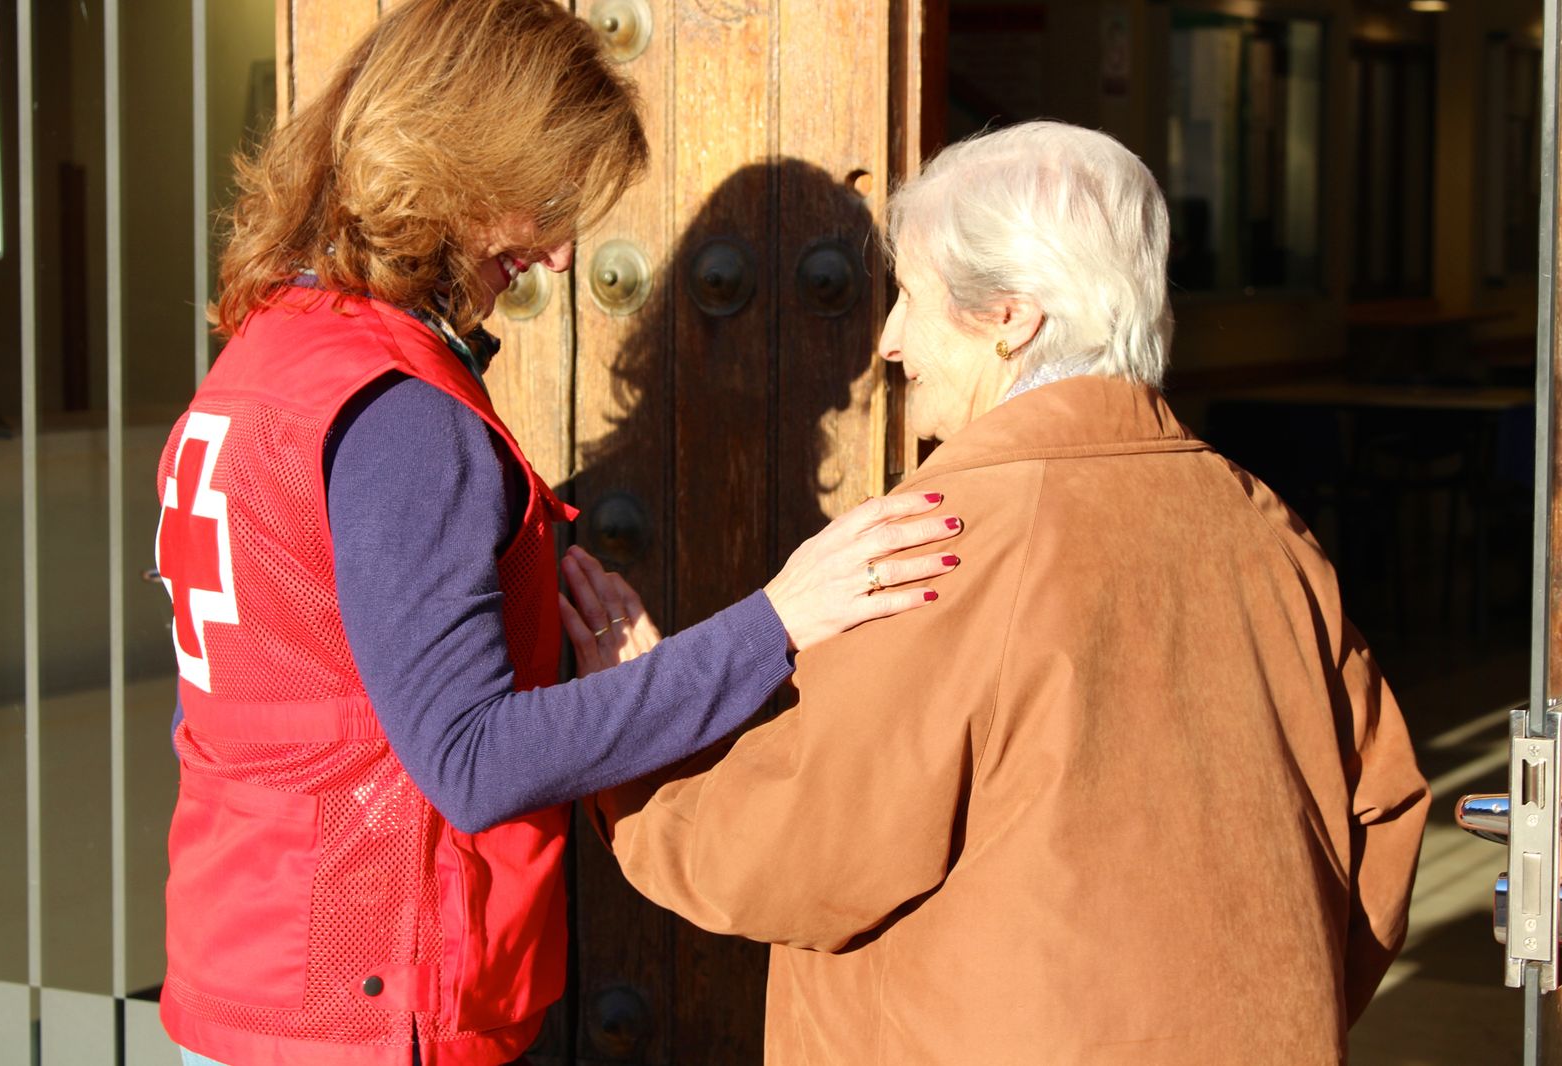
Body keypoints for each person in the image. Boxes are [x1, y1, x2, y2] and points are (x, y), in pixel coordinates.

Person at [154, 3, 961, 1064]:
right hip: (366, 1003)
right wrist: (779, 620)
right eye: (548, 199)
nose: (565, 252)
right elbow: (472, 760)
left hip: (255, 964)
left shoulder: (267, 357)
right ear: (462, 170)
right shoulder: (402, 417)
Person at [580, 121, 1431, 1065]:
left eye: (911, 297)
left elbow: (798, 854)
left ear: (1010, 317)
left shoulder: (946, 539)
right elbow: (1383, 819)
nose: (891, 342)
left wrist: (640, 742)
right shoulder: (1264, 527)